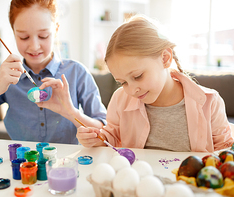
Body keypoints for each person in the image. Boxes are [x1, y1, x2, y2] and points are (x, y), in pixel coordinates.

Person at [0, 0, 106, 144]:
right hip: (23, 168)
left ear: (56, 29)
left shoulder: (77, 73)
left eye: (43, 36)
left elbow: (105, 132)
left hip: (66, 168)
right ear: (14, 32)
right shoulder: (6, 78)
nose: (34, 46)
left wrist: (71, 112)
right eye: (24, 37)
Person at [76, 15, 233, 152]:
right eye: (122, 82)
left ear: (165, 58)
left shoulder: (210, 102)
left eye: (137, 76)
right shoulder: (119, 100)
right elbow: (111, 137)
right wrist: (97, 139)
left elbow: (224, 153)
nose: (132, 90)